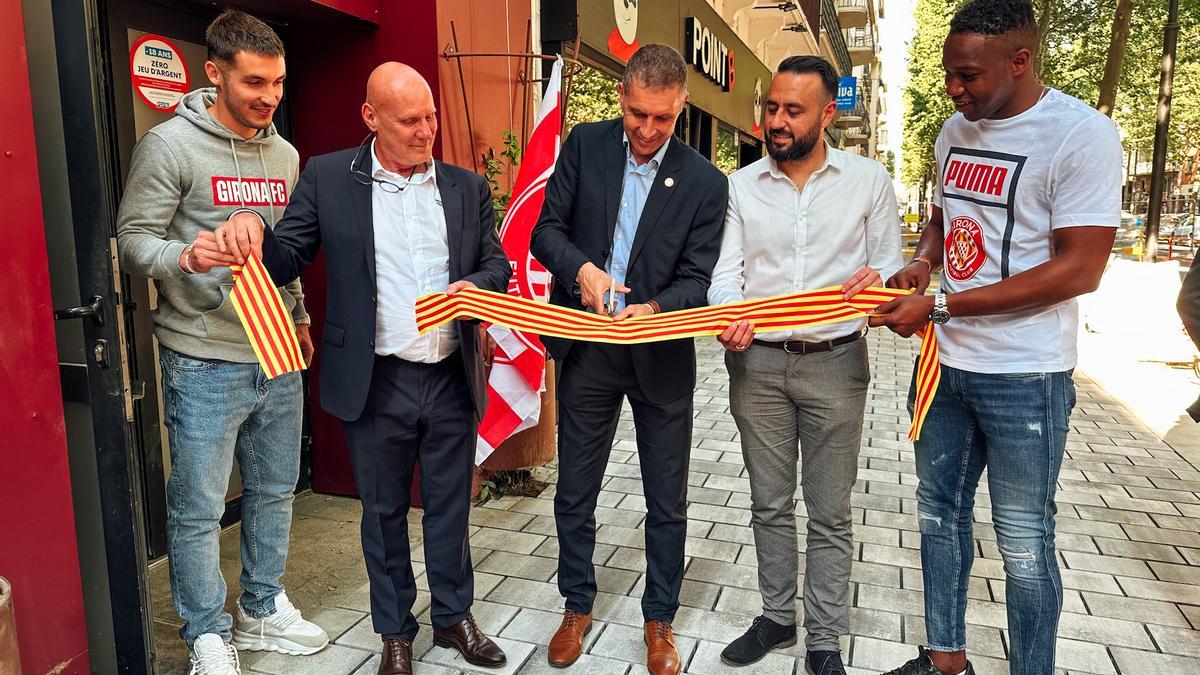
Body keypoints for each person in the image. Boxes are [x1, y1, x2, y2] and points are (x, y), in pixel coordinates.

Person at [210, 62, 511, 675]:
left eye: (430, 117)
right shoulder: (327, 177)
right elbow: (287, 255)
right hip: (378, 381)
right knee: (383, 514)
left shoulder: (464, 186)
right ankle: (395, 633)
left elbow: (496, 265)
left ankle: (454, 617)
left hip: (451, 375)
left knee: (451, 509)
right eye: (410, 120)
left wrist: (471, 284)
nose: (427, 130)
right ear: (371, 118)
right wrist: (251, 228)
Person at [871, 1, 1122, 673]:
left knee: (1024, 542)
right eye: (950, 74)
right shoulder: (956, 131)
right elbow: (940, 216)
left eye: (968, 75)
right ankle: (946, 658)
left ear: (1021, 61)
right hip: (946, 372)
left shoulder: (1081, 134)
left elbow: (1080, 268)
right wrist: (923, 261)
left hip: (1027, 377)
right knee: (937, 516)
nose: (955, 89)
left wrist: (941, 305)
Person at [116, 10, 328, 674]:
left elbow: (285, 252)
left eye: (279, 83)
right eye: (255, 82)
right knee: (200, 505)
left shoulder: (286, 155)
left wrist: (298, 318)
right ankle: (207, 628)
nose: (270, 97)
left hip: (276, 348)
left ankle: (261, 609)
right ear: (215, 73)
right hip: (201, 354)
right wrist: (189, 255)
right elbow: (130, 242)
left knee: (274, 486)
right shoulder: (170, 146)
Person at [529, 44, 728, 675]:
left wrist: (658, 309)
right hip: (589, 350)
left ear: (681, 107)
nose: (647, 131)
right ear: (622, 96)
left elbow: (700, 277)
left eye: (662, 119)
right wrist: (583, 271)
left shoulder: (705, 181)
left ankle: (660, 618)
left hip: (660, 357)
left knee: (666, 499)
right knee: (575, 490)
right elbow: (545, 230)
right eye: (638, 114)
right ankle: (575, 604)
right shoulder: (585, 146)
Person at [708, 55, 901, 675]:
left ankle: (825, 639)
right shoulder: (739, 186)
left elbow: (892, 280)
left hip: (836, 363)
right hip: (756, 364)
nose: (778, 122)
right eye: (772, 108)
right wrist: (726, 313)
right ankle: (776, 617)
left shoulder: (869, 182)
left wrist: (881, 289)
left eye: (794, 111)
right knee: (768, 502)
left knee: (830, 511)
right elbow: (724, 276)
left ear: (828, 113)